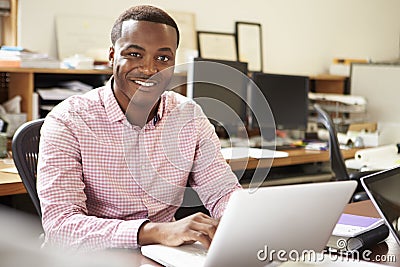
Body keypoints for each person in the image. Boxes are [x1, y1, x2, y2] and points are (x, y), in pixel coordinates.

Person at [37, 5, 241, 251]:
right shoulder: (68, 120)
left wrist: (235, 222)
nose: (149, 69)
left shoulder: (189, 116)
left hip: (163, 253)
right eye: (134, 54)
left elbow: (222, 192)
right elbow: (61, 227)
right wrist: (156, 231)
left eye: (163, 58)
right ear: (112, 55)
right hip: (90, 256)